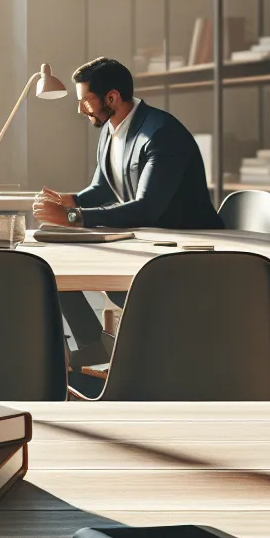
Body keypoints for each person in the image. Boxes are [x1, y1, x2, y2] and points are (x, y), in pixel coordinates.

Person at [33, 56, 223, 355]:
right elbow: (103, 187)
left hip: (183, 251)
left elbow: (147, 208)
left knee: (66, 262)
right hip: (147, 243)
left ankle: (117, 351)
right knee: (52, 267)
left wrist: (72, 216)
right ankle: (93, 344)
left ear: (112, 97)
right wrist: (68, 200)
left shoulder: (160, 134)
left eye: (86, 100)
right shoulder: (111, 129)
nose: (80, 109)